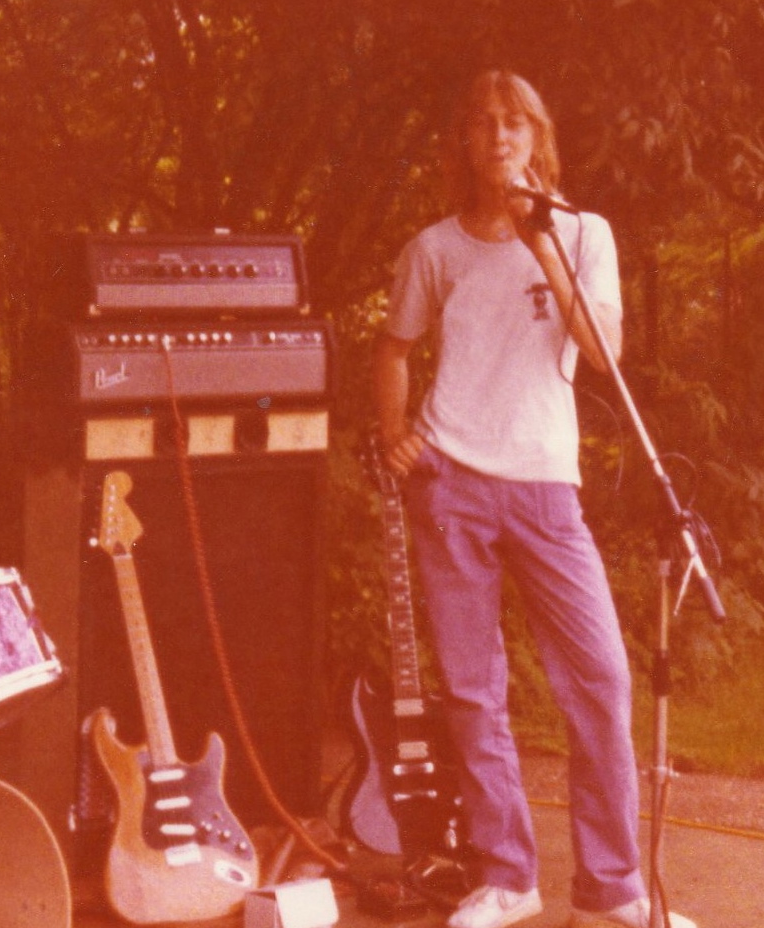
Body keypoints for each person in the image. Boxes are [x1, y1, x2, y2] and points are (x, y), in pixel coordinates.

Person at [372, 70, 696, 928]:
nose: (497, 136)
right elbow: (392, 347)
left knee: (600, 678)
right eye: (480, 124)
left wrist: (539, 239)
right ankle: (508, 876)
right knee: (475, 691)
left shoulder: (586, 235)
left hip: (549, 489)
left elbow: (600, 354)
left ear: (537, 138)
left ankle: (613, 890)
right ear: (465, 147)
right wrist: (393, 434)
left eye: (513, 122)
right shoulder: (434, 248)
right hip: (449, 484)